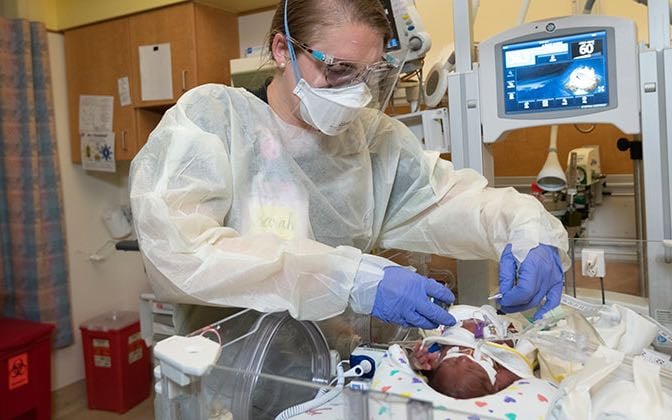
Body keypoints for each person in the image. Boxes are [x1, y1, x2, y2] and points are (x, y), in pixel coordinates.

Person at [129, 0, 568, 333]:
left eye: (368, 73)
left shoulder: (372, 139)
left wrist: (527, 227)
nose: (355, 91)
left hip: (337, 371)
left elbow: (451, 200)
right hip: (232, 372)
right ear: (283, 49)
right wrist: (351, 278)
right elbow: (181, 256)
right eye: (338, 69)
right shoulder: (212, 121)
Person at [407, 305, 534, 399]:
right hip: (491, 323)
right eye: (471, 367)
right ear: (494, 382)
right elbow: (516, 370)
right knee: (507, 337)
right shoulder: (497, 380)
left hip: (456, 317)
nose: (463, 359)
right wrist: (519, 343)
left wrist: (417, 362)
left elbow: (420, 367)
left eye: (453, 362)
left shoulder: (435, 363)